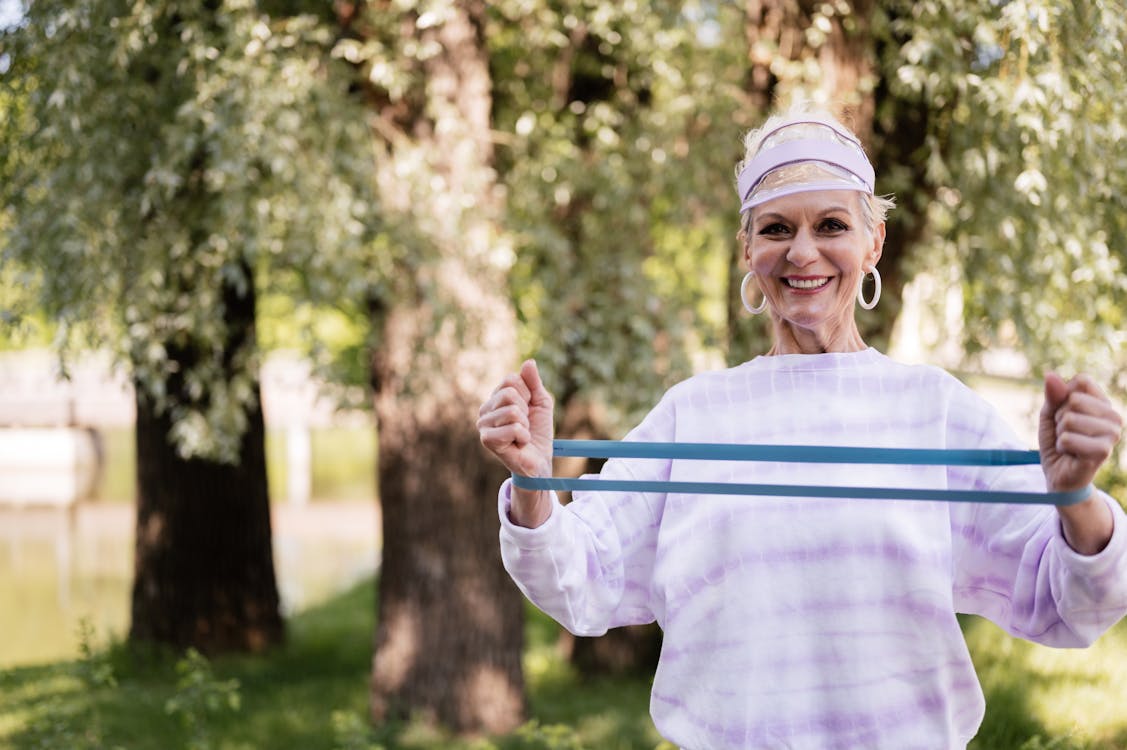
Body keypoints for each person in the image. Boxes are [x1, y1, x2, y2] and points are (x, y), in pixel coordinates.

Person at [476, 104, 1127, 749]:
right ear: (747, 250)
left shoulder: (933, 409)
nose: (802, 251)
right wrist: (532, 487)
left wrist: (1075, 499)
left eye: (831, 224)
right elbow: (582, 579)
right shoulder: (691, 413)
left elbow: (1072, 608)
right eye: (777, 228)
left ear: (872, 242)